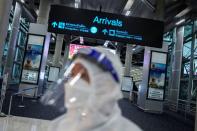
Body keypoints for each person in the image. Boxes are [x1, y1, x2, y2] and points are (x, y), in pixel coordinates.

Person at [42, 47, 141, 131]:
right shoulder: (58, 126)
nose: (73, 83)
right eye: (72, 75)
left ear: (108, 85)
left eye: (83, 76)